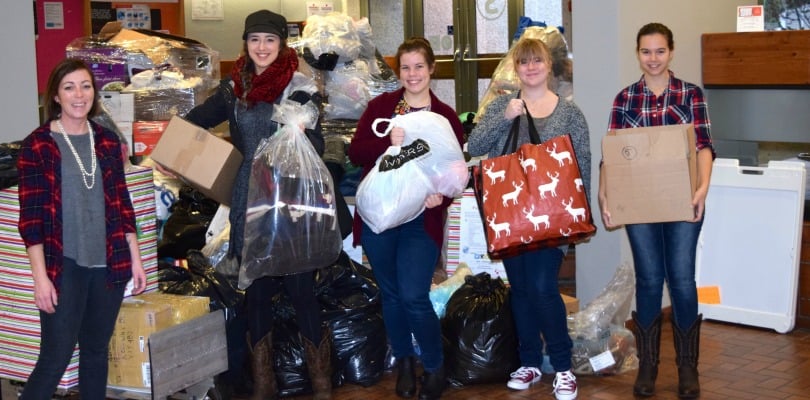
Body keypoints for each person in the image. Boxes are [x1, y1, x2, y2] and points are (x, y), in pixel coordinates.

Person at [178, 9, 331, 400]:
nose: (262, 47)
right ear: (245, 44)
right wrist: (186, 152)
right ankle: (264, 384)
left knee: (300, 290)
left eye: (270, 40)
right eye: (254, 40)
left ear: (282, 45)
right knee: (257, 288)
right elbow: (194, 121)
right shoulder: (235, 89)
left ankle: (321, 385)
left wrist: (301, 131)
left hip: (289, 201)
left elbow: (318, 148)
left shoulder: (299, 88)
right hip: (250, 199)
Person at [466, 38, 590, 400]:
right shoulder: (504, 105)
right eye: (524, 62)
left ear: (549, 66)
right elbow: (475, 146)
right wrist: (505, 118)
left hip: (553, 221)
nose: (531, 67)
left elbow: (580, 165)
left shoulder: (569, 113)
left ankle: (563, 367)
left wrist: (580, 218)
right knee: (520, 290)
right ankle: (530, 362)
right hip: (513, 219)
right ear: (516, 68)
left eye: (537, 61)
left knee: (542, 288)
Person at [16, 58, 147, 400]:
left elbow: (122, 203)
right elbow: (30, 221)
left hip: (110, 263)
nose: (79, 94)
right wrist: (40, 278)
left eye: (86, 86)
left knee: (95, 353)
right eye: (69, 87)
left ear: (94, 92)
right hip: (64, 265)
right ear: (56, 96)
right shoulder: (38, 145)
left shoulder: (105, 141)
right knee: (54, 359)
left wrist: (136, 258)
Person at [598, 22, 714, 399]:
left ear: (671, 52)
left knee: (681, 279)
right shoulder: (625, 99)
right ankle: (647, 366)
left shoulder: (690, 94)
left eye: (660, 51)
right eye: (646, 52)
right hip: (641, 206)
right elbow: (611, 157)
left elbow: (704, 148)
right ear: (638, 54)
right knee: (649, 280)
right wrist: (605, 196)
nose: (653, 59)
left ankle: (687, 369)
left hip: (684, 202)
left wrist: (702, 190)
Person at [347, 37, 464, 400]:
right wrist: (389, 142)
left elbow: (455, 173)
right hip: (381, 216)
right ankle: (404, 362)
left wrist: (440, 198)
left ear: (431, 69)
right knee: (392, 295)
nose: (412, 74)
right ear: (399, 72)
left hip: (420, 221)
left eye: (419, 66)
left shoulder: (444, 116)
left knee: (414, 295)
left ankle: (434, 365)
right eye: (406, 67)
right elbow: (356, 152)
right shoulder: (382, 107)